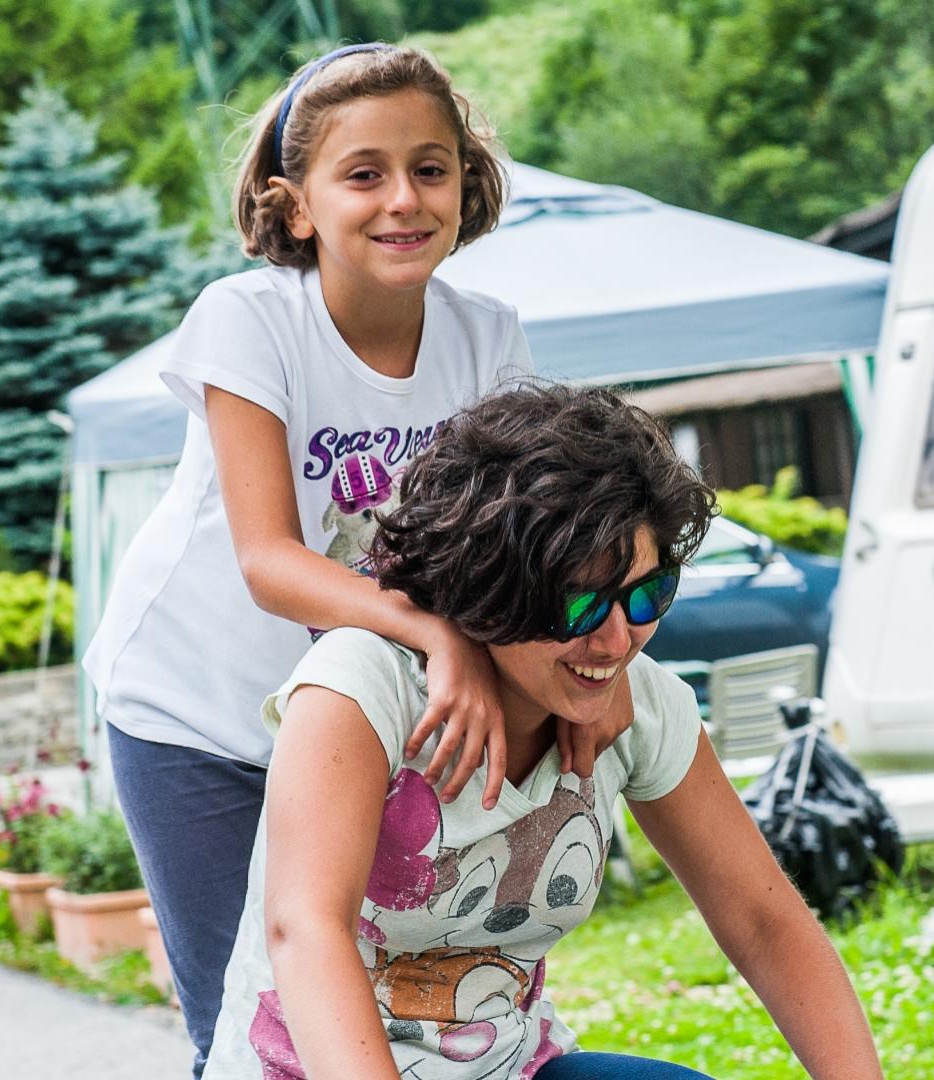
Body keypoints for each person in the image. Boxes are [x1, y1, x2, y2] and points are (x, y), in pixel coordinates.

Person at [82, 45, 630, 1076]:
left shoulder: (485, 336)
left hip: (349, 717)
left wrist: (600, 664)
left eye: (430, 168)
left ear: (467, 184)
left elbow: (515, 545)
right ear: (295, 207)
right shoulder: (250, 322)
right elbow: (270, 561)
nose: (403, 199)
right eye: (364, 173)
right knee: (248, 1025)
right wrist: (434, 633)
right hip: (198, 716)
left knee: (369, 1004)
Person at [201, 383, 885, 1080]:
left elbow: (763, 922)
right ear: (487, 589)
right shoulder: (361, 686)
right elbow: (306, 932)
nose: (618, 639)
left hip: (508, 1067)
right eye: (581, 604)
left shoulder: (638, 705)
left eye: (648, 593)